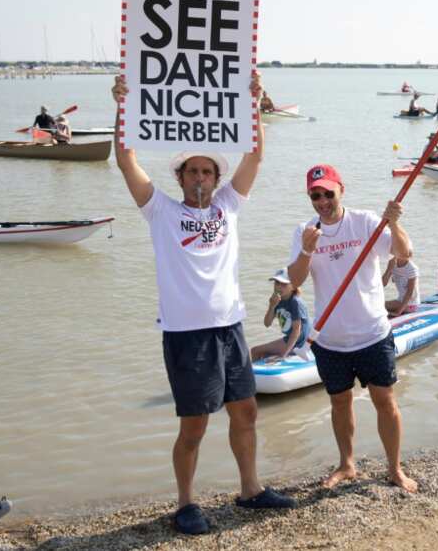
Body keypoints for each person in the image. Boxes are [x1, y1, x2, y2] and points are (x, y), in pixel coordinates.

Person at [110, 73, 293, 536]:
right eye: (191, 171)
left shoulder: (229, 205)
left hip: (230, 327)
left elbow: (256, 155)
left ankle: (250, 491)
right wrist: (122, 105)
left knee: (245, 412)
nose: (199, 178)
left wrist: (254, 103)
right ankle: (186, 503)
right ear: (180, 177)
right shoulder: (161, 211)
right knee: (193, 426)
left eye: (206, 172)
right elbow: (125, 158)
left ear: (216, 179)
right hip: (186, 334)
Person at [287, 164, 418, 493]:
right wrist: (306, 249)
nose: (322, 201)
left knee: (385, 401)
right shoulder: (305, 231)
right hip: (329, 339)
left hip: (372, 333)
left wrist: (394, 223)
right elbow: (294, 281)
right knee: (339, 403)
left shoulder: (365, 222)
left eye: (328, 193)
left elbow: (404, 253)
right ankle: (347, 464)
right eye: (315, 195)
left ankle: (394, 468)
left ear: (340, 190)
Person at [249, 268, 312, 362]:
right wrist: (272, 306)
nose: (279, 287)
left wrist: (283, 355)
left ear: (294, 286)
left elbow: (296, 331)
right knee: (260, 353)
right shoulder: (278, 300)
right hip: (289, 339)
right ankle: (260, 374)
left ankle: (255, 375)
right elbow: (267, 324)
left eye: (284, 284)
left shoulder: (295, 302)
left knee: (255, 351)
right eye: (277, 283)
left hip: (299, 343)